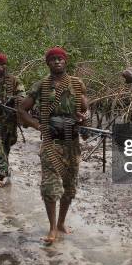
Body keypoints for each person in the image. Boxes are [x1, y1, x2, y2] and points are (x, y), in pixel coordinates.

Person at [18, 47, 89, 244]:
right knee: (50, 188)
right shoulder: (41, 85)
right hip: (51, 142)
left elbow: (85, 108)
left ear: (65, 62)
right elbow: (23, 110)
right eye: (53, 60)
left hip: (71, 143)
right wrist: (38, 125)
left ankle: (61, 223)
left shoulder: (76, 83)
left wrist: (83, 117)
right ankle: (51, 228)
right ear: (48, 63)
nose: (57, 62)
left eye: (60, 59)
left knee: (69, 187)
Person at [0, 52, 25, 188]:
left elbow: (22, 96)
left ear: (5, 65)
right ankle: (3, 175)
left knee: (5, 147)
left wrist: (13, 100)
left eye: (1, 64)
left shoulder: (14, 80)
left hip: (9, 121)